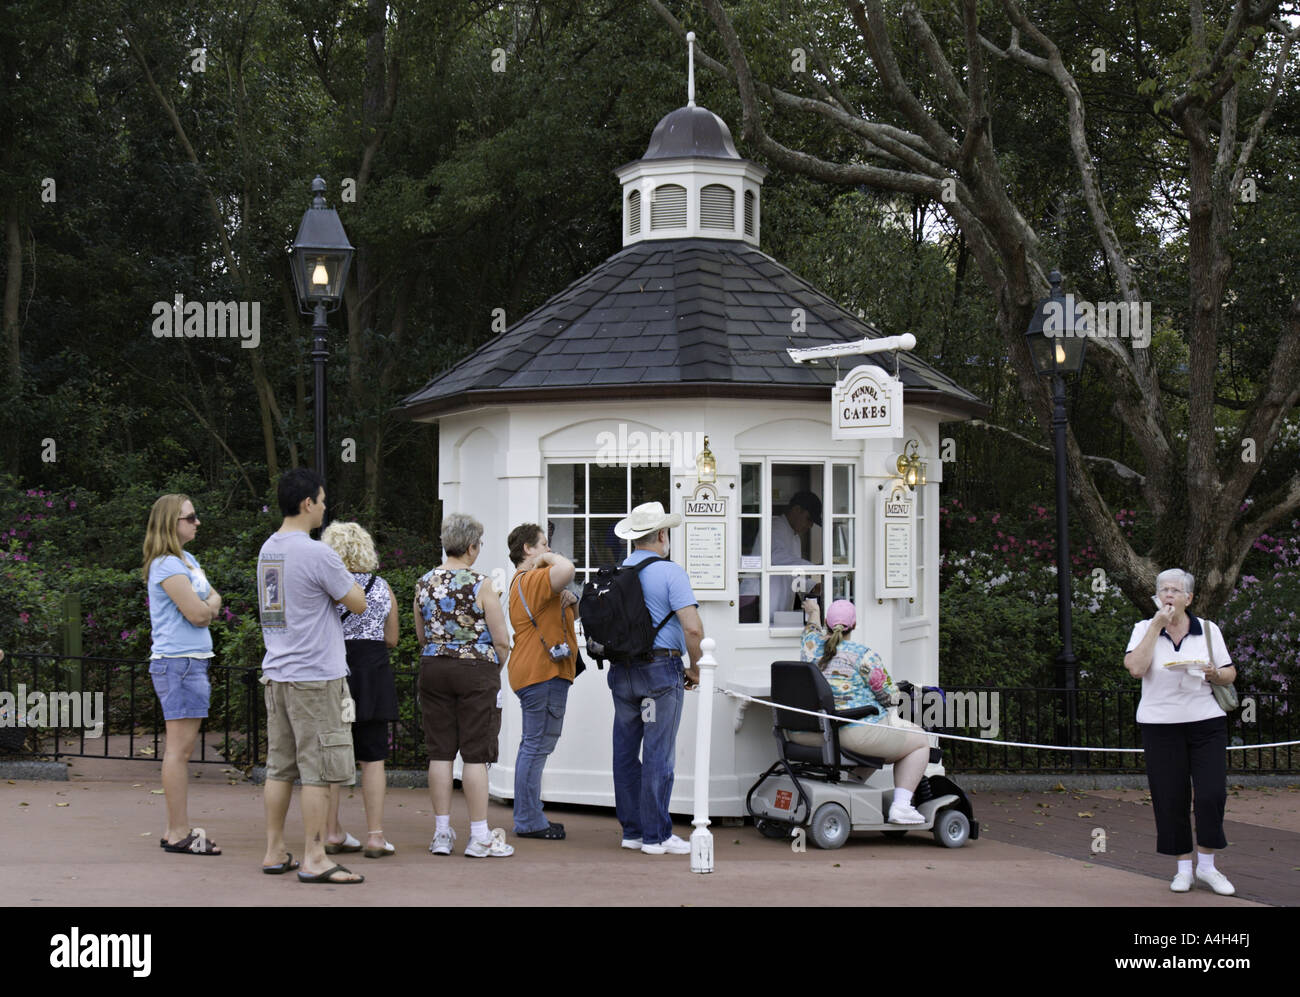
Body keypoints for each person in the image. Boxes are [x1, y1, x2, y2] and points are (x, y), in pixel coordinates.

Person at [257, 469, 368, 884]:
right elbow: (356, 602)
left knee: (279, 767)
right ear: (308, 504)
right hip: (316, 676)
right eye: (322, 501)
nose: (324, 507)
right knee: (319, 771)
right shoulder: (317, 552)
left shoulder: (269, 549)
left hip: (279, 673)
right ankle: (315, 856)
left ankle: (273, 850)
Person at [1124, 569, 1237, 896]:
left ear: (1189, 597)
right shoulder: (1144, 629)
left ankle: (1208, 866)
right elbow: (1135, 668)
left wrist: (1215, 673)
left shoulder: (1209, 630)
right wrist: (1157, 625)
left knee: (1211, 795)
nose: (1168, 595)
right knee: (1170, 797)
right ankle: (1183, 869)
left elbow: (1230, 673)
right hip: (1160, 726)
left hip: (1206, 723)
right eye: (1163, 590)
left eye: (1175, 590)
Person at [414, 513, 514, 858]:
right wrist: (492, 668)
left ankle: (442, 833)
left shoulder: (424, 583)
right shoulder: (482, 583)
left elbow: (421, 634)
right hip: (475, 669)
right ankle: (479, 835)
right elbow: (501, 640)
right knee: (475, 753)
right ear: (472, 546)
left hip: (434, 666)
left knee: (440, 751)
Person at [609, 501, 704, 855]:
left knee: (625, 751)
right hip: (661, 673)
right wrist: (695, 668)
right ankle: (657, 834)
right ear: (662, 535)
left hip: (622, 674)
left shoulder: (619, 571)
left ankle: (632, 831)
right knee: (658, 753)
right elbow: (692, 628)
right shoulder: (671, 573)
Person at [797, 598, 931, 824]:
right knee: (919, 740)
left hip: (810, 733)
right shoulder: (863, 655)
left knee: (874, 744)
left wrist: (813, 611)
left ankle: (851, 793)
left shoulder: (809, 645)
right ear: (854, 625)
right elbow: (890, 697)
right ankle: (901, 807)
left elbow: (811, 628)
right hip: (851, 733)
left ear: (827, 624)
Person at [142, 493, 223, 856]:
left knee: (183, 749)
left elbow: (214, 600)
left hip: (189, 661)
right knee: (178, 750)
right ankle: (177, 833)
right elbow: (199, 613)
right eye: (190, 518)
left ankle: (178, 829)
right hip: (179, 662)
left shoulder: (186, 560)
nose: (197, 523)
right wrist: (206, 607)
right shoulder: (167, 566)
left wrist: (206, 606)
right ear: (170, 523)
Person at [320, 521, 400, 860]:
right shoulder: (382, 587)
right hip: (374, 673)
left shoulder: (327, 588)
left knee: (334, 754)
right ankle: (375, 836)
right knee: (374, 757)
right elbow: (393, 638)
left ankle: (331, 831)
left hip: (337, 672)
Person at [506, 522, 579, 840]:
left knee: (533, 745)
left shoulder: (521, 583)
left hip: (533, 670)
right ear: (528, 549)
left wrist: (569, 599)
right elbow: (568, 567)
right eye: (544, 544)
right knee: (536, 746)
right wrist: (546, 561)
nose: (549, 550)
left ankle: (530, 814)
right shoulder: (534, 577)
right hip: (542, 672)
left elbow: (566, 613)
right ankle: (529, 819)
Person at [739, 490, 822, 623]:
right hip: (755, 601)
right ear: (796, 510)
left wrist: (812, 586)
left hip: (777, 608)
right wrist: (816, 568)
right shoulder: (775, 526)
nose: (810, 525)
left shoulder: (795, 538)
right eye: (809, 519)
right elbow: (775, 557)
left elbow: (794, 574)